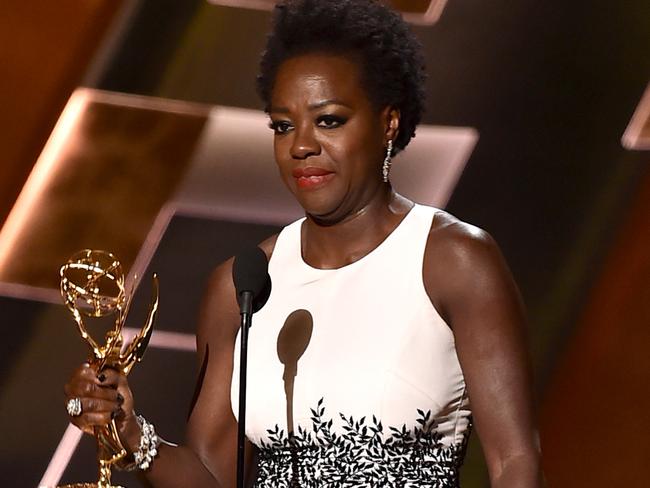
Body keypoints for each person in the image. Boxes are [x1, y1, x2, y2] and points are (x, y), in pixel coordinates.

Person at [64, 0, 544, 486]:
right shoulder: (242, 287)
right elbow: (214, 476)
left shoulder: (452, 261)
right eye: (283, 125)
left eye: (329, 120)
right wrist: (129, 433)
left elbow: (514, 463)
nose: (301, 146)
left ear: (389, 123)